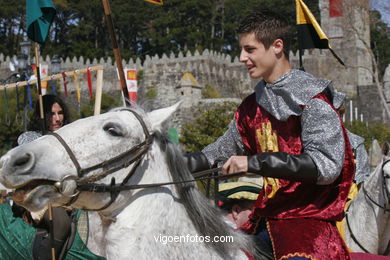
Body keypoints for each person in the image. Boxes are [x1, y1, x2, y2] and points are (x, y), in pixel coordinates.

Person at [187, 10, 355, 260]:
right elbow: (217, 153)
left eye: (250, 49)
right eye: (242, 50)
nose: (242, 57)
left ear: (277, 46)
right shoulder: (250, 107)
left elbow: (326, 166)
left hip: (307, 225)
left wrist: (255, 162)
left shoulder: (313, 100)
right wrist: (171, 163)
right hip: (264, 222)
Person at [11, 94, 105, 260]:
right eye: (51, 114)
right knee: (61, 223)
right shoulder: (31, 139)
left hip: (68, 196)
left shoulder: (69, 139)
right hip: (36, 197)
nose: (57, 118)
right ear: (43, 116)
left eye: (60, 113)